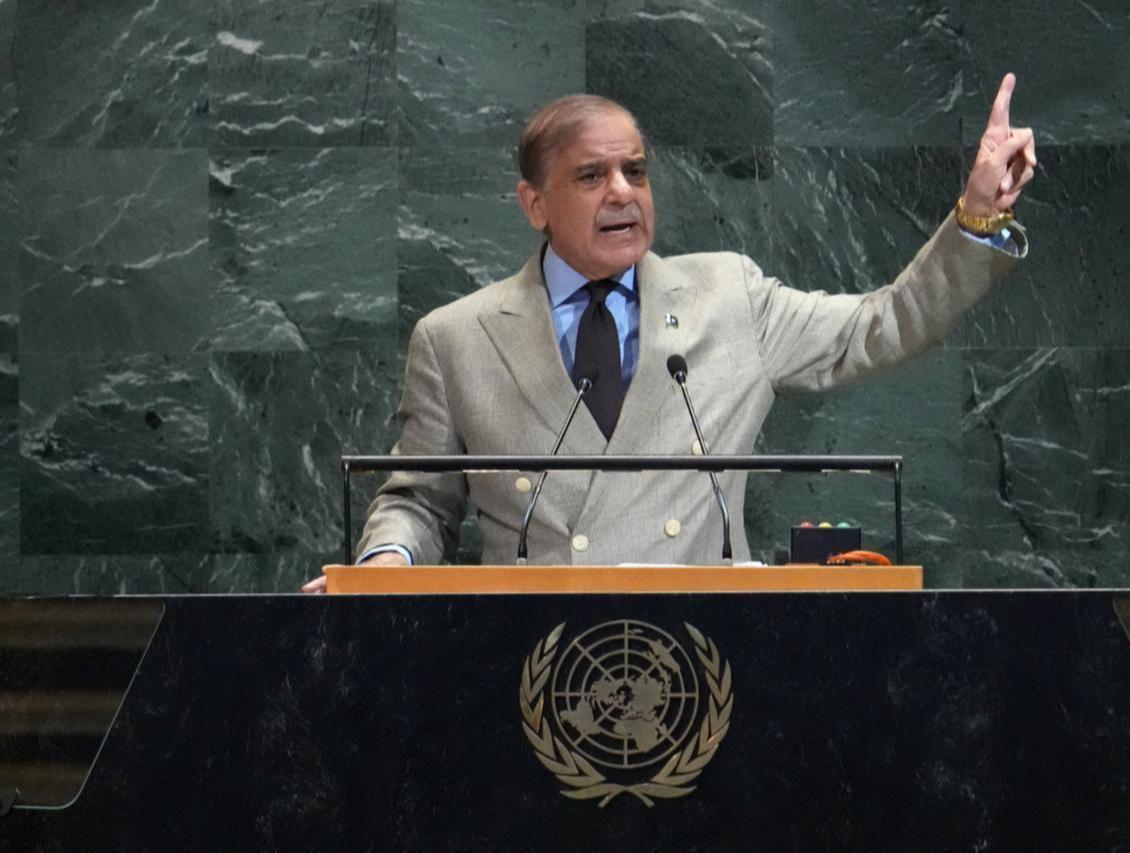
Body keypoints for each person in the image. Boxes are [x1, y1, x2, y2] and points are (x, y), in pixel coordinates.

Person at [303, 74, 1034, 592]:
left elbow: (885, 324)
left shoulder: (730, 295)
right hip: (529, 666)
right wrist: (383, 567)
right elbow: (419, 501)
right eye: (592, 175)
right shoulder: (454, 337)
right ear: (534, 204)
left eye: (636, 169)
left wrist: (977, 217)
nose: (623, 191)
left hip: (708, 658)